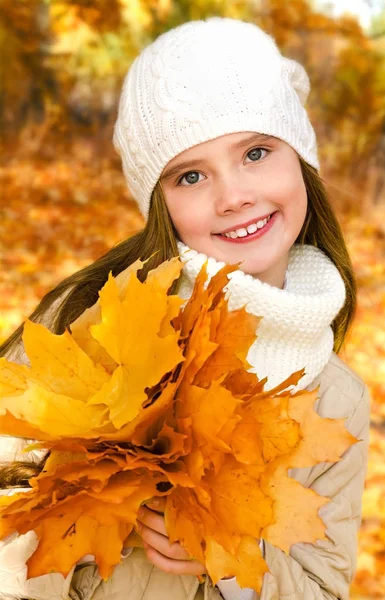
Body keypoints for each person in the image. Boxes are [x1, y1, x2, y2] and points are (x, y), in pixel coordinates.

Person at [0, 16, 370, 600]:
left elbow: (322, 587)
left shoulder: (338, 402)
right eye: (191, 176)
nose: (233, 196)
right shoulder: (94, 322)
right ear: (160, 206)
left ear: (301, 157)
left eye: (256, 152)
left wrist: (226, 556)